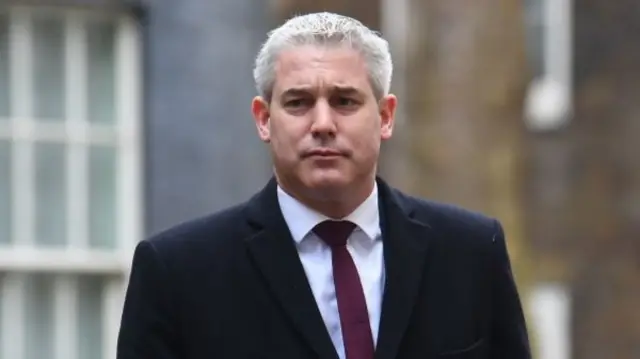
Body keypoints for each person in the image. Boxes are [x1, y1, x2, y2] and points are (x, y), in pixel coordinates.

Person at [116, 12, 531, 359]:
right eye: (297, 103)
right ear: (263, 119)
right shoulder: (178, 272)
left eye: (344, 101)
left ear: (386, 116)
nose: (322, 124)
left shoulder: (471, 253)